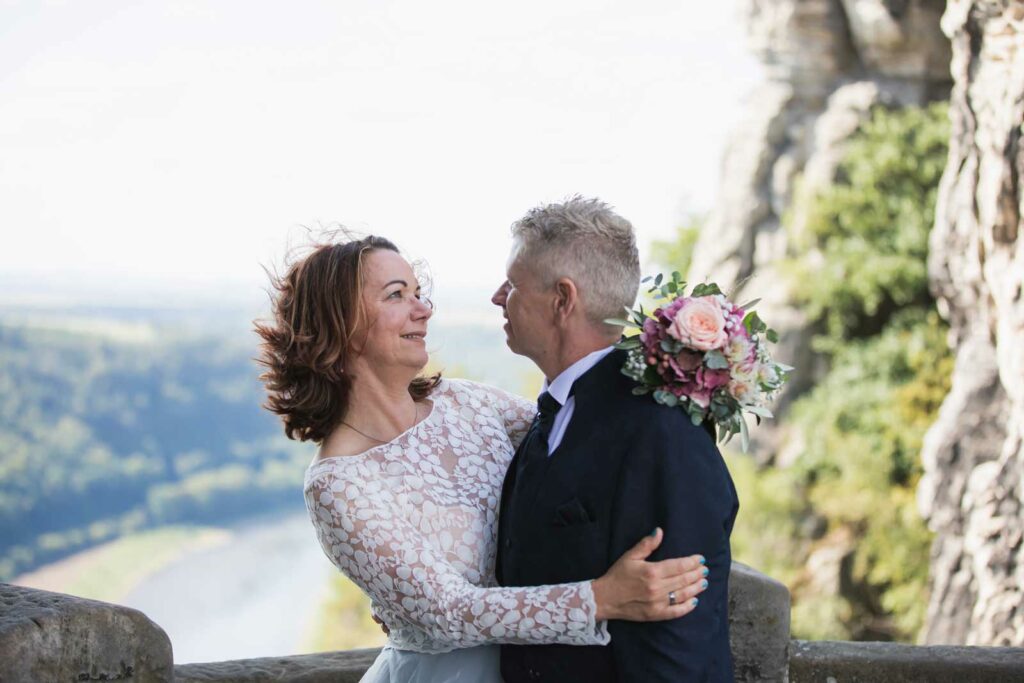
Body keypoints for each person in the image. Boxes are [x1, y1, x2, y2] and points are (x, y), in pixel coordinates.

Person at [255, 235, 709, 683]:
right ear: (338, 323)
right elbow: (446, 613)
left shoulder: (466, 402)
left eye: (419, 293)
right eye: (397, 295)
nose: (423, 309)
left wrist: (689, 375)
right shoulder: (337, 484)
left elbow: (579, 448)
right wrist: (601, 599)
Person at [492, 196, 739, 682]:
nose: (499, 297)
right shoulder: (553, 411)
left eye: (513, 284)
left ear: (563, 300)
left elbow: (680, 641)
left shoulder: (660, 431)